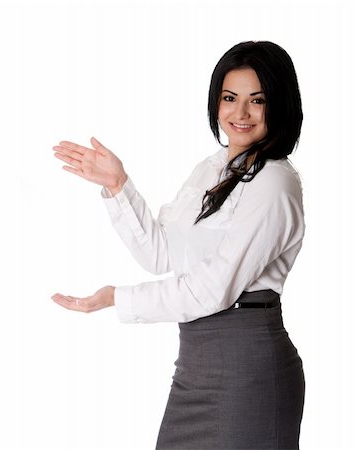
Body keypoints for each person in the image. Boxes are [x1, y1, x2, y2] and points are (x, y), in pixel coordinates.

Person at [51, 40, 306, 450]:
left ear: (280, 105)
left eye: (256, 100)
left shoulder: (274, 183)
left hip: (247, 365)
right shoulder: (213, 167)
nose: (239, 113)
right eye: (229, 98)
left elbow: (211, 288)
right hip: (195, 362)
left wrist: (118, 298)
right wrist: (118, 186)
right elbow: (162, 255)